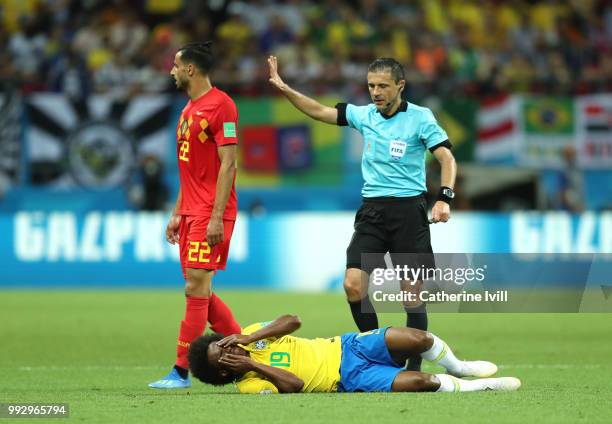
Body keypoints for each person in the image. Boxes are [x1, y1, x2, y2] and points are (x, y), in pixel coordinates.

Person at [267, 56, 457, 371]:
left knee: (411, 295)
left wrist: (444, 198)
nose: (376, 92)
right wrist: (284, 87)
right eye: (371, 85)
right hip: (372, 212)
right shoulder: (363, 115)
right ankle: (376, 354)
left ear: (400, 85)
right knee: (353, 285)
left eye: (383, 85)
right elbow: (318, 110)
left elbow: (447, 159)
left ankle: (412, 370)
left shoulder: (421, 118)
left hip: (409, 212)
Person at [149, 42, 242, 389]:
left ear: (190, 69)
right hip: (191, 211)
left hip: (211, 213)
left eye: (175, 65)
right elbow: (190, 172)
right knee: (201, 290)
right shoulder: (188, 108)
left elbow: (229, 164)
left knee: (195, 286)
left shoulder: (222, 106)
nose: (171, 71)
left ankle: (180, 370)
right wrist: (177, 213)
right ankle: (247, 348)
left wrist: (217, 216)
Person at [188, 314, 521, 394]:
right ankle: (482, 387)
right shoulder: (249, 386)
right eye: (225, 354)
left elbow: (294, 321)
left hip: (346, 345)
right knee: (423, 381)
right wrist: (250, 364)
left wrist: (251, 336)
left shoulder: (251, 336)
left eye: (224, 342)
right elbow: (296, 384)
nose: (231, 348)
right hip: (349, 377)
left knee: (417, 338)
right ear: (222, 373)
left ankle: (461, 367)